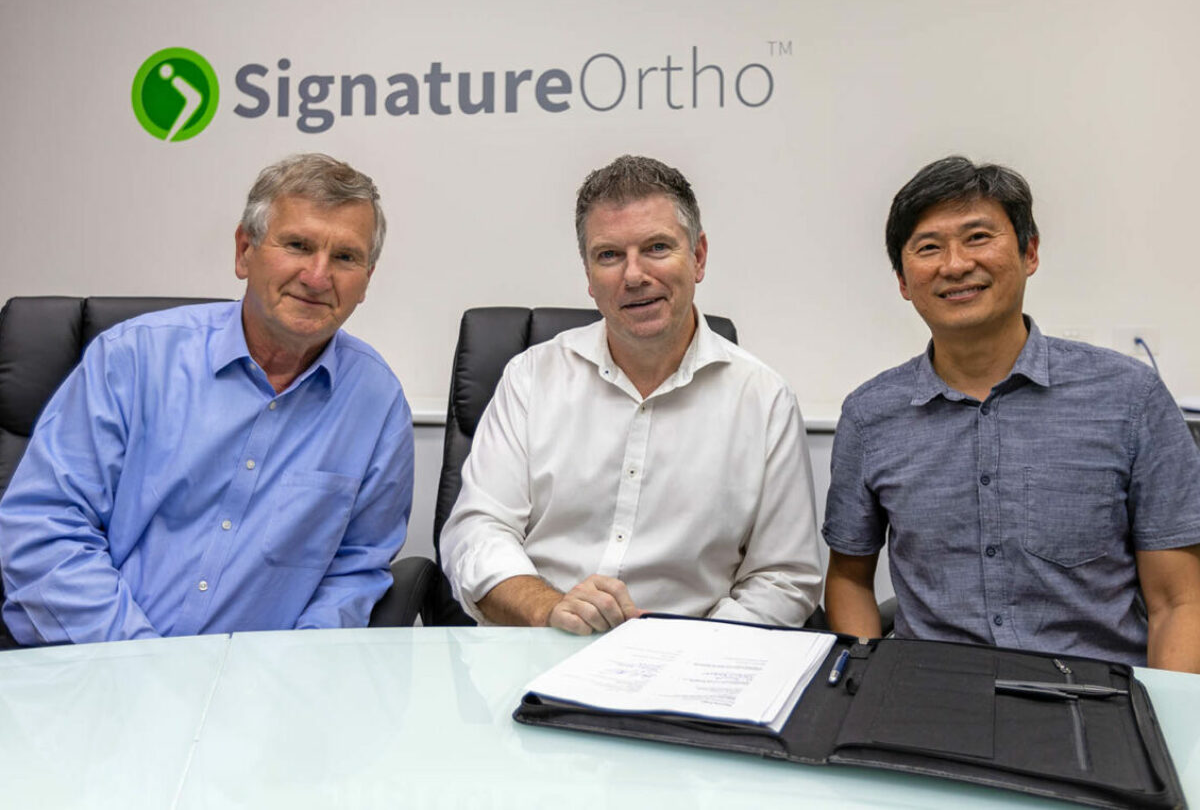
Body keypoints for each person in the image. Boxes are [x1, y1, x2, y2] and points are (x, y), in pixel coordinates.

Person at [0, 153, 414, 644]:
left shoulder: (377, 402)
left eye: (345, 257)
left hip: (260, 683)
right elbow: (44, 528)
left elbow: (355, 569)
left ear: (367, 279)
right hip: (90, 661)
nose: (318, 276)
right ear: (244, 251)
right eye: (298, 245)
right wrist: (140, 662)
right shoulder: (131, 359)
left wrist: (297, 670)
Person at [822, 155, 1200, 670]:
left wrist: (1162, 716)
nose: (955, 265)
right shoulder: (870, 416)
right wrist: (865, 687)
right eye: (929, 247)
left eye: (978, 237)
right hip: (930, 695)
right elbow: (848, 578)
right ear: (904, 281)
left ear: (1030, 252)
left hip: (1092, 693)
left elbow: (1179, 602)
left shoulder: (1129, 398)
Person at [440, 154, 821, 634]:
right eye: (609, 255)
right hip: (535, 646)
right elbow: (476, 531)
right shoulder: (531, 377)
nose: (634, 275)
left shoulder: (763, 400)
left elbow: (783, 578)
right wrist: (548, 608)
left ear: (699, 256)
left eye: (657, 247)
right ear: (588, 274)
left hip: (689, 658)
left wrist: (694, 650)